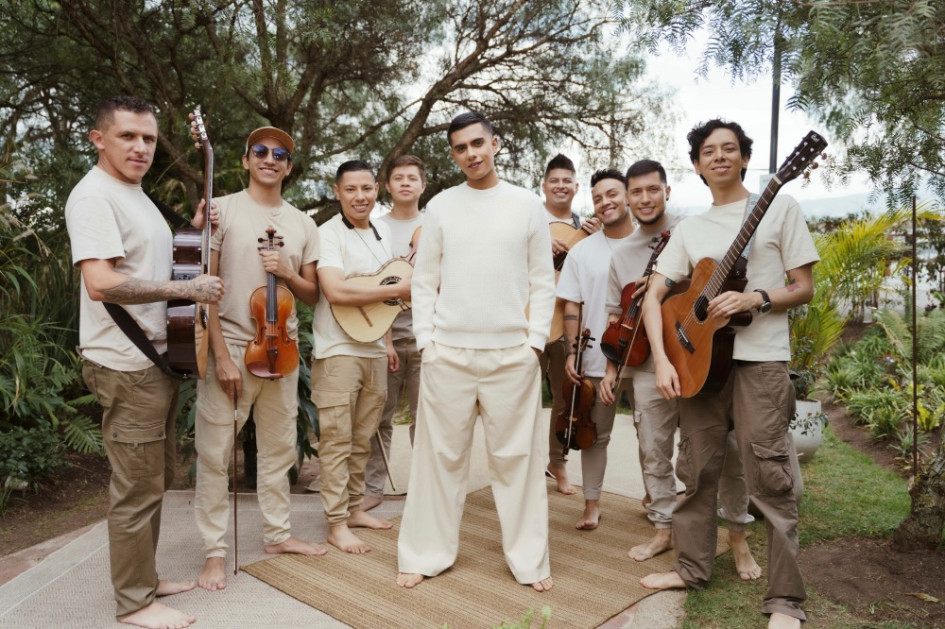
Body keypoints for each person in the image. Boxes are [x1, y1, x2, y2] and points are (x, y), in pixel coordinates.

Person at [639, 120, 818, 629]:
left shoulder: (779, 207)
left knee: (770, 476)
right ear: (696, 165)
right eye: (708, 151)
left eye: (730, 149)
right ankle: (692, 568)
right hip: (696, 365)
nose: (719, 157)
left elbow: (803, 286)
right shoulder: (691, 229)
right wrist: (664, 356)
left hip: (759, 362)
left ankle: (785, 601)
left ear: (744, 158)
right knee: (695, 471)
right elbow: (655, 297)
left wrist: (757, 297)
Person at [65, 95, 224, 629]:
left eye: (149, 139)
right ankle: (134, 604)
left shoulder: (134, 194)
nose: (140, 147)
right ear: (98, 138)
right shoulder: (94, 198)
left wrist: (195, 224)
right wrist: (193, 290)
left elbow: (163, 255)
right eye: (128, 136)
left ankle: (145, 578)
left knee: (153, 480)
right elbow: (101, 281)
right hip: (125, 365)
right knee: (135, 488)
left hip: (156, 361)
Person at [397, 111, 556, 591]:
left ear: (495, 144)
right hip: (449, 354)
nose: (471, 153)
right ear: (454, 155)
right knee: (437, 458)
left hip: (513, 354)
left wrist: (534, 344)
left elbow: (542, 281)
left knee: (519, 463)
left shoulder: (528, 205)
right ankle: (425, 553)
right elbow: (423, 281)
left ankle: (530, 561)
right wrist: (427, 341)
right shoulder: (442, 206)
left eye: (478, 144)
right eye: (461, 148)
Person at [599, 160, 761, 578]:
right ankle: (663, 528)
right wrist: (612, 369)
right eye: (636, 192)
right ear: (627, 197)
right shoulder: (621, 253)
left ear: (667, 191)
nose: (644, 198)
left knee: (721, 457)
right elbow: (619, 315)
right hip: (648, 368)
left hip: (699, 364)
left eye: (653, 190)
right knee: (652, 449)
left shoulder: (692, 232)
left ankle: (737, 536)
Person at [194, 126, 325, 592]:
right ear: (246, 160)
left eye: (281, 153)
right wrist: (222, 357)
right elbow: (204, 287)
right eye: (260, 151)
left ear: (289, 166)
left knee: (279, 450)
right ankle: (214, 551)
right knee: (214, 454)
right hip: (231, 343)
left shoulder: (303, 224)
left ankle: (277, 535)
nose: (270, 158)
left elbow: (309, 294)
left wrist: (286, 270)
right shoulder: (220, 210)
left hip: (282, 354)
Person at [311, 160, 411, 553]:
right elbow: (336, 291)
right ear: (337, 192)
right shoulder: (327, 234)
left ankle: (353, 508)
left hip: (373, 347)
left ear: (376, 190)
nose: (360, 196)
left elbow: (385, 293)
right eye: (350, 189)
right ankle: (335, 523)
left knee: (363, 438)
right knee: (336, 439)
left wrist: (386, 341)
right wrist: (402, 290)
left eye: (367, 188)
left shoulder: (384, 231)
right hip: (337, 349)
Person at [555, 168, 635, 530]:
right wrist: (573, 351)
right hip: (598, 356)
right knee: (595, 436)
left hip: (648, 357)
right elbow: (571, 304)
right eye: (599, 198)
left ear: (629, 195)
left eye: (612, 194)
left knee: (653, 434)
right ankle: (592, 504)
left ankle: (656, 500)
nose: (606, 202)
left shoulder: (656, 245)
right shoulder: (582, 251)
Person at [362, 155, 427, 511]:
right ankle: (374, 488)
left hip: (425, 337)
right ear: (387, 186)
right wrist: (384, 340)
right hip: (384, 336)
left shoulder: (435, 225)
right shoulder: (375, 226)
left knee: (426, 419)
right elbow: (374, 286)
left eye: (412, 178)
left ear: (422, 185)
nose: (405, 183)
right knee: (380, 416)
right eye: (398, 178)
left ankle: (425, 491)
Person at [541, 153, 600, 494]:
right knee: (518, 400)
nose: (561, 186)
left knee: (566, 399)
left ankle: (557, 464)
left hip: (566, 323)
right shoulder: (529, 221)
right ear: (544, 185)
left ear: (576, 187)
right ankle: (516, 467)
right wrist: (536, 243)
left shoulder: (585, 226)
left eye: (567, 181)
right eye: (554, 180)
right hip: (529, 322)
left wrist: (594, 236)